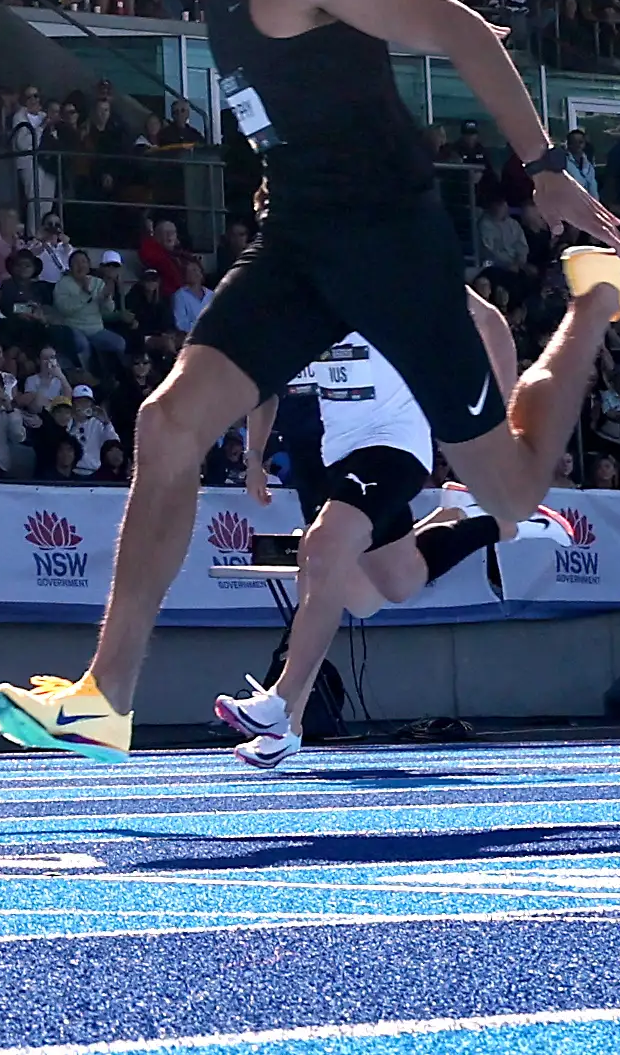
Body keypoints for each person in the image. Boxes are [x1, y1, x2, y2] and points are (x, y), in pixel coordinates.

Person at [0, 0, 620, 763]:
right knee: (168, 422)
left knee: (512, 492)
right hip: (298, 243)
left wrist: (545, 167)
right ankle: (105, 694)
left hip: (390, 245)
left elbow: (461, 30)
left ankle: (594, 299)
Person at [211, 316, 530, 770]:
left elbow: (493, 324)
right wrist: (256, 457)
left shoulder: (393, 273)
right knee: (383, 589)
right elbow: (265, 385)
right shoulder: (295, 303)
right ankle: (483, 522)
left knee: (320, 555)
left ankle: (282, 709)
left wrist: (500, 433)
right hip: (331, 463)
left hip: (393, 449)